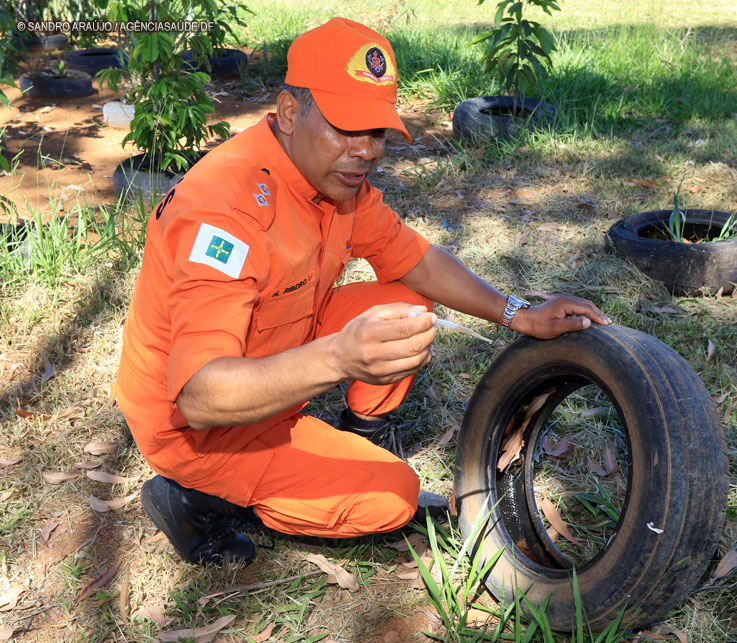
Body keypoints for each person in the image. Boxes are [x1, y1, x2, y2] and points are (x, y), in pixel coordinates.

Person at [116, 17, 611, 567]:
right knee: (392, 498)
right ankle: (193, 498)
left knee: (406, 309)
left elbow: (416, 260)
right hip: (198, 429)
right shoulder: (225, 210)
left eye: (375, 131)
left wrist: (518, 313)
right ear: (287, 112)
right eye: (346, 126)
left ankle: (346, 445)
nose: (366, 150)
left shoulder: (334, 182)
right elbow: (199, 396)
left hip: (270, 362)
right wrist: (336, 357)